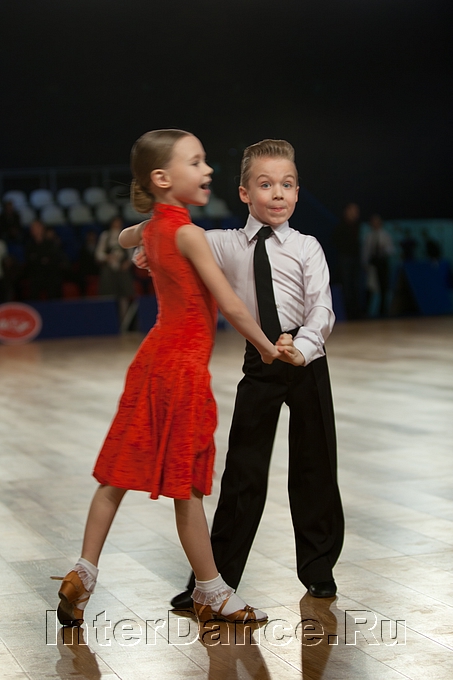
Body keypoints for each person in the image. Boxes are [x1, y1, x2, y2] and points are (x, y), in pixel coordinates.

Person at [54, 129, 299, 629]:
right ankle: (213, 592)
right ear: (163, 178)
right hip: (183, 369)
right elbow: (231, 305)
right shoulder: (188, 235)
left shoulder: (156, 229)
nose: (207, 170)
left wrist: (143, 241)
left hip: (151, 361)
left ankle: (82, 572)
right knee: (187, 489)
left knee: (116, 475)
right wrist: (266, 347)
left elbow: (125, 237)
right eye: (196, 162)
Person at [135, 139, 344, 607]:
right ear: (245, 193)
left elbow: (322, 309)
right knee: (242, 473)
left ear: (297, 192)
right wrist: (147, 244)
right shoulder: (224, 243)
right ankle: (215, 580)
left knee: (315, 467)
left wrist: (301, 349)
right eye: (266, 185)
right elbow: (165, 233)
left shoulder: (307, 247)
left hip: (306, 362)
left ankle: (319, 569)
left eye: (287, 184)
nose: (278, 193)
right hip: (260, 361)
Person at [332, 202, 363, 319]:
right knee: (347, 286)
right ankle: (348, 312)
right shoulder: (341, 227)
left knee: (357, 285)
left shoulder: (359, 227)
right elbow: (335, 241)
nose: (355, 214)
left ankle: (357, 311)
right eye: (353, 211)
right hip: (345, 259)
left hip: (356, 258)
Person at [362, 214, 394, 317]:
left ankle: (383, 310)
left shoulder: (385, 235)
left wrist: (384, 249)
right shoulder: (369, 236)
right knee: (370, 287)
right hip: (372, 264)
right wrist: (365, 263)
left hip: (382, 263)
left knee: (383, 286)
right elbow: (366, 251)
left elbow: (391, 250)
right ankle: (367, 311)